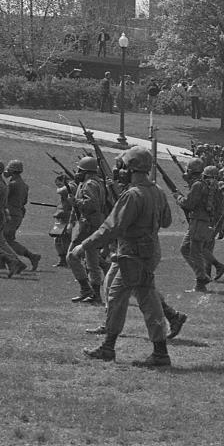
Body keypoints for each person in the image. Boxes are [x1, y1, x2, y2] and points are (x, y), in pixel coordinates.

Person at [77, 146, 174, 367]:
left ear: (130, 168)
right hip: (149, 251)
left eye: (122, 166)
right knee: (146, 298)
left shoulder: (132, 194)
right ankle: (156, 352)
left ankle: (111, 348)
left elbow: (111, 228)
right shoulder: (157, 191)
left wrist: (84, 245)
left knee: (118, 296)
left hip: (132, 255)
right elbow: (167, 221)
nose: (118, 170)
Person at [174, 159, 224, 293]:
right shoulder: (202, 184)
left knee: (195, 251)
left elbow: (189, 204)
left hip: (199, 221)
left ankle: (201, 281)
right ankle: (205, 274)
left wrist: (178, 197)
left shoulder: (198, 185)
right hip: (199, 221)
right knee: (185, 249)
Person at [66, 156, 108, 303]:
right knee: (92, 262)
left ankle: (86, 289)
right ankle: (95, 295)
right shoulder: (96, 183)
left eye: (79, 170)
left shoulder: (89, 184)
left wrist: (75, 201)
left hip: (87, 225)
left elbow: (91, 204)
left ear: (85, 171)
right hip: (94, 224)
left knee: (72, 256)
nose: (77, 172)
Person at [0, 160, 42, 272]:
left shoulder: (13, 184)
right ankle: (3, 263)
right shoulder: (24, 185)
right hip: (17, 214)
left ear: (12, 171)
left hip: (11, 215)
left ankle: (31, 257)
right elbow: (24, 201)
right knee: (5, 239)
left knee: (4, 240)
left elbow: (3, 198)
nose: (6, 171)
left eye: (8, 169)